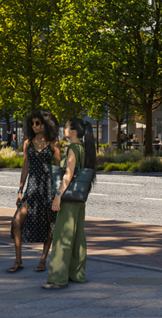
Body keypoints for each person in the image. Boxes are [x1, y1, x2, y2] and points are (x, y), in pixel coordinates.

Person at [44, 119, 94, 289]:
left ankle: (57, 279)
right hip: (79, 199)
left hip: (69, 199)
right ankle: (77, 274)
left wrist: (58, 195)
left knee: (63, 237)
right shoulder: (84, 149)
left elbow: (68, 173)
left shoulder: (73, 148)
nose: (63, 130)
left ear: (73, 131)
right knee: (78, 236)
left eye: (65, 127)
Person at [8, 112, 60, 273]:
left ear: (46, 124)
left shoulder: (54, 144)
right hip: (31, 187)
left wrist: (58, 193)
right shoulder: (27, 143)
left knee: (49, 225)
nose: (35, 126)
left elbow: (57, 169)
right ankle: (18, 260)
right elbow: (25, 168)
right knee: (16, 221)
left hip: (47, 187)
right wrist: (19, 190)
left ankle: (43, 259)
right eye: (32, 123)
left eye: (38, 123)